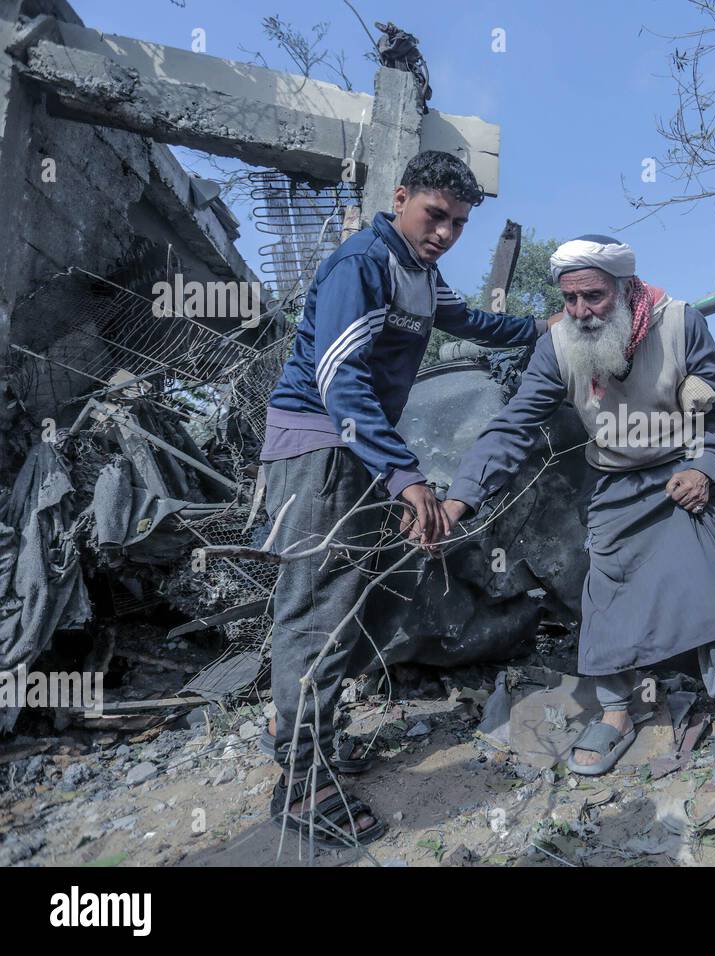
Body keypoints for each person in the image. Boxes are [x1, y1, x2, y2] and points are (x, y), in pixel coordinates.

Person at [259, 150, 550, 846]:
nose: (446, 233)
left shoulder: (419, 273)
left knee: (351, 604)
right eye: (435, 216)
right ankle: (301, 786)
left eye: (458, 223)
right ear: (400, 198)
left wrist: (546, 330)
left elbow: (475, 324)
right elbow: (339, 381)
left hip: (354, 453)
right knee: (319, 613)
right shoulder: (364, 263)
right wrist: (404, 473)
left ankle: (303, 732)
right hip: (321, 448)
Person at [437, 236, 715, 785]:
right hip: (616, 477)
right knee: (607, 593)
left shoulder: (681, 322)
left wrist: (705, 469)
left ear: (625, 287)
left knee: (710, 574)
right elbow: (514, 427)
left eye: (594, 297)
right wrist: (460, 496)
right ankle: (619, 709)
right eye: (571, 300)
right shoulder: (558, 346)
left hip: (686, 469)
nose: (582, 312)